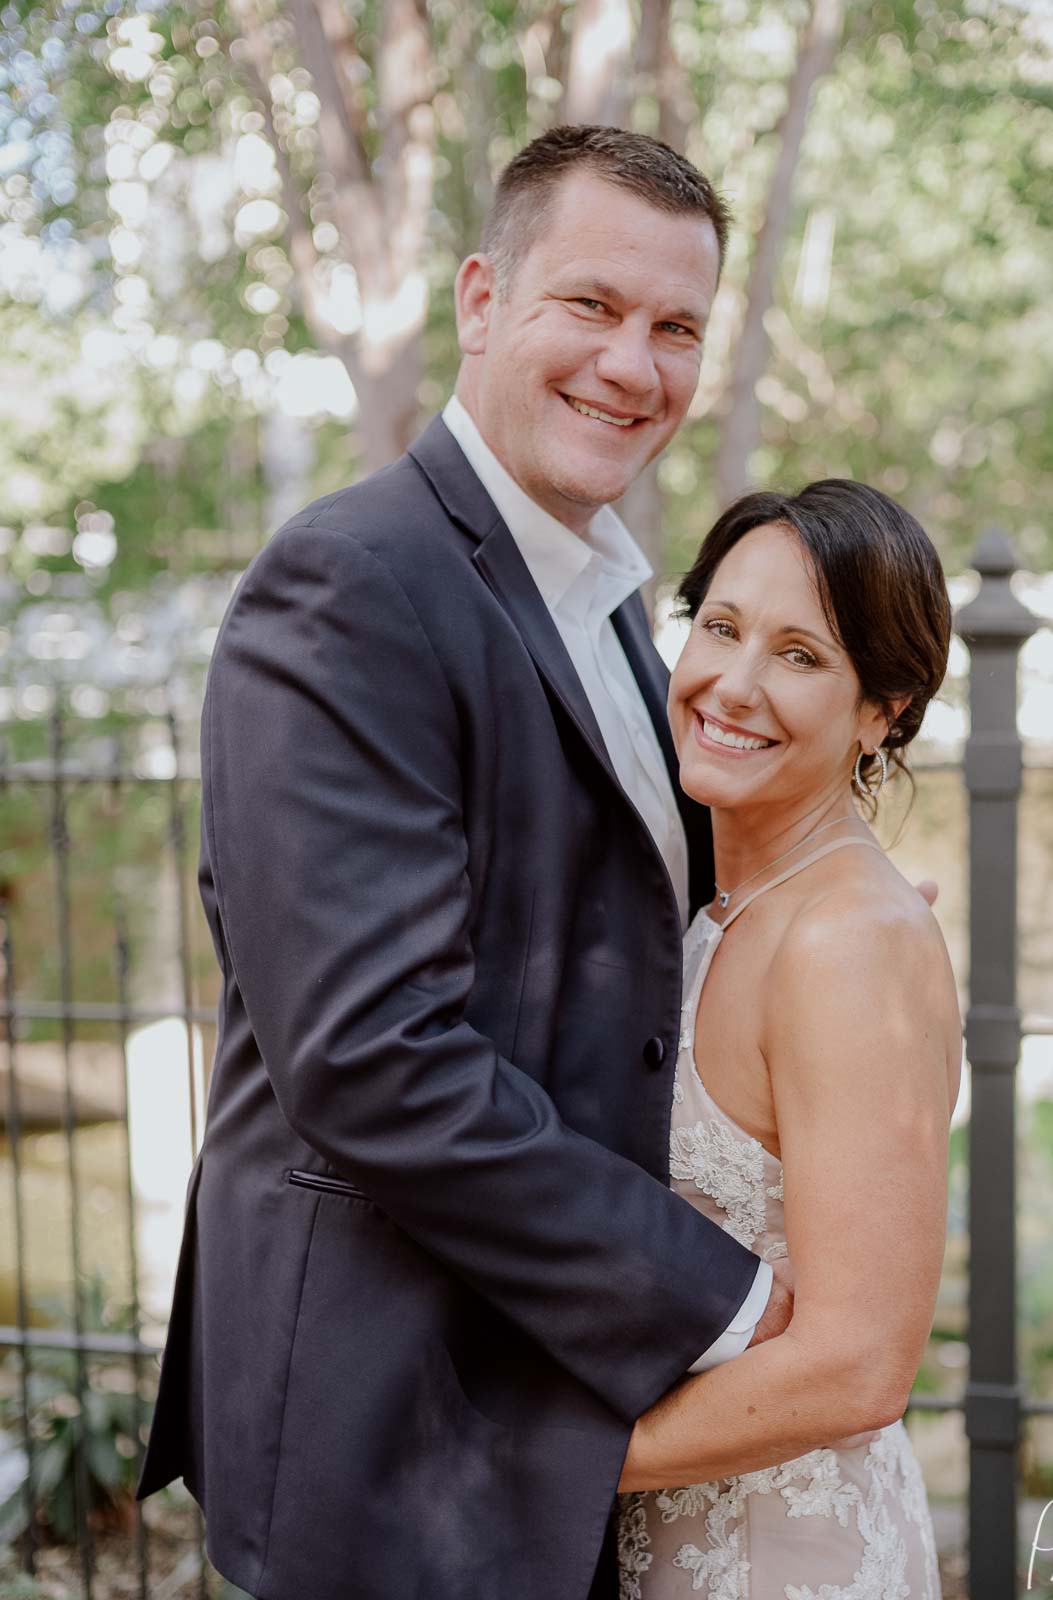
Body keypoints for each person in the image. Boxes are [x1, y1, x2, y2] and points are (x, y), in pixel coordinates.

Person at [136, 126, 794, 1600]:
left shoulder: (610, 601)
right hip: (401, 1430)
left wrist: (810, 926)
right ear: (482, 301)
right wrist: (727, 1295)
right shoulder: (352, 584)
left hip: (549, 1406)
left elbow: (615, 929)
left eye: (676, 328)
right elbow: (373, 1058)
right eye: (593, 307)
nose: (636, 365)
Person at [615, 482, 962, 1598]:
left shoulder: (847, 940)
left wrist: (553, 1459)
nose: (732, 683)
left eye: (800, 655)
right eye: (719, 627)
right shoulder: (716, 902)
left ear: (883, 709)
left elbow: (858, 1366)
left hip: (784, 1559)